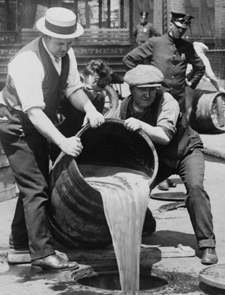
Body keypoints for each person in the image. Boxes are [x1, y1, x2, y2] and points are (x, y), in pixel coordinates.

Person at [0, 7, 105, 270]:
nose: (65, 48)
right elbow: (34, 113)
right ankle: (43, 253)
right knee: (36, 187)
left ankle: (20, 245)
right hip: (16, 123)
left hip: (36, 121)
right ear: (45, 36)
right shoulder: (27, 62)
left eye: (69, 42)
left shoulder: (65, 52)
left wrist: (90, 107)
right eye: (60, 43)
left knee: (33, 185)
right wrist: (63, 141)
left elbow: (73, 88)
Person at [117, 64, 218, 265]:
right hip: (160, 158)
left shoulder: (166, 101)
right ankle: (146, 223)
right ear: (131, 89)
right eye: (142, 89)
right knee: (135, 187)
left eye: (152, 89)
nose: (148, 94)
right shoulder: (125, 107)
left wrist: (142, 125)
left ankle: (207, 244)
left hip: (186, 151)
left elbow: (164, 135)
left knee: (195, 189)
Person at [123, 11, 205, 115]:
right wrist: (141, 81)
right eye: (178, 27)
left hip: (178, 99)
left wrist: (192, 84)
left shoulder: (187, 47)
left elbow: (200, 67)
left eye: (184, 29)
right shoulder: (155, 43)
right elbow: (128, 59)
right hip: (157, 98)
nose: (180, 31)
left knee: (179, 127)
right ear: (171, 25)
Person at [50, 59, 113, 163]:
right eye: (89, 90)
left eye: (98, 91)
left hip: (81, 143)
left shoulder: (100, 97)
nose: (93, 95)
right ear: (81, 81)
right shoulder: (65, 95)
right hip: (60, 141)